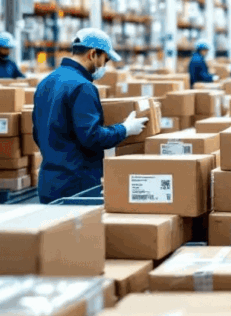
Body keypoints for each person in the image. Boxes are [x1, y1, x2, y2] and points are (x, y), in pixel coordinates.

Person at [32, 28, 148, 203]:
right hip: (76, 186)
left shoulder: (46, 82)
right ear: (93, 54)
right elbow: (92, 137)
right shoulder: (83, 87)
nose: (105, 66)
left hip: (48, 183)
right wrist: (124, 129)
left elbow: (37, 133)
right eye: (105, 59)